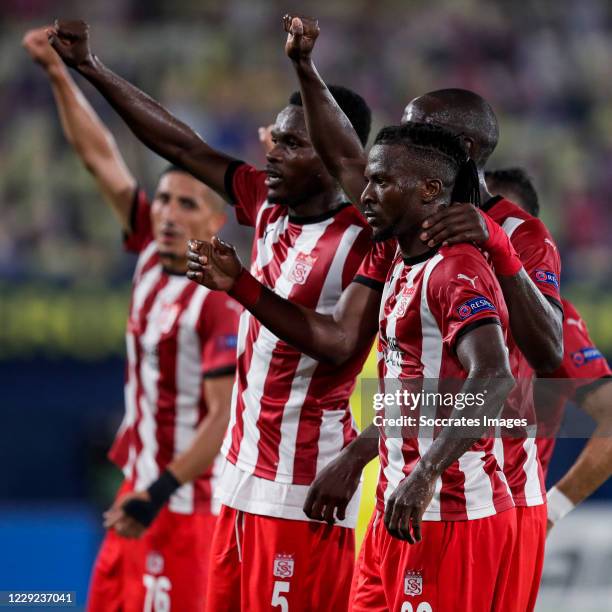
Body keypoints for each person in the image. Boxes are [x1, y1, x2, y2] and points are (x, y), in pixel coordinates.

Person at [47, 18, 377, 611]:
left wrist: (241, 286)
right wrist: (91, 69)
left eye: (294, 143)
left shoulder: (365, 239)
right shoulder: (265, 204)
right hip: (237, 480)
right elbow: (180, 146)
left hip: (303, 488)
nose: (272, 152)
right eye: (275, 138)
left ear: (333, 154)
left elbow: (339, 342)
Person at [188, 121, 520, 611]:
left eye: (382, 181)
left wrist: (426, 472)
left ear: (430, 190)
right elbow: (416, 393)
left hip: (450, 513)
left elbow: (494, 377)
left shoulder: (456, 269)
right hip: (396, 510)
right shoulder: (401, 264)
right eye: (369, 180)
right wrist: (357, 456)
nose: (365, 193)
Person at [23, 27, 239, 612]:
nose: (167, 212)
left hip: (185, 509)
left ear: (216, 223)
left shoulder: (217, 298)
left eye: (187, 203)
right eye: (164, 199)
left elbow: (222, 419)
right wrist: (56, 73)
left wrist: (159, 490)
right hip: (138, 493)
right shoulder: (148, 248)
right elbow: (101, 158)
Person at [486, 167, 612, 531]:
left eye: (505, 223)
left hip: (504, 522)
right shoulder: (440, 298)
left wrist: (551, 511)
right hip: (424, 511)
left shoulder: (551, 325)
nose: (489, 233)